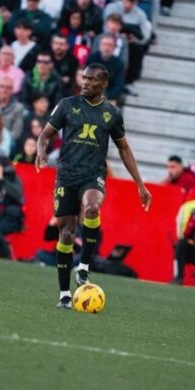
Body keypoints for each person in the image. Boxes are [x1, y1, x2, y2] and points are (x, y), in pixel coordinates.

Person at [35, 63, 152, 308]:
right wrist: (41, 150)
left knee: (91, 208)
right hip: (66, 176)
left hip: (93, 174)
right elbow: (45, 134)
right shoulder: (67, 105)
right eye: (84, 78)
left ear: (104, 84)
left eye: (91, 79)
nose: (85, 82)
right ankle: (65, 294)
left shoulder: (111, 114)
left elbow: (124, 149)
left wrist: (140, 183)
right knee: (66, 233)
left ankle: (85, 266)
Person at [86, 33, 126, 106]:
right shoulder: (92, 58)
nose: (107, 48)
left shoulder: (119, 63)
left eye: (110, 45)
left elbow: (119, 84)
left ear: (114, 48)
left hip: (108, 95)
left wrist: (106, 96)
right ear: (100, 46)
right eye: (104, 44)